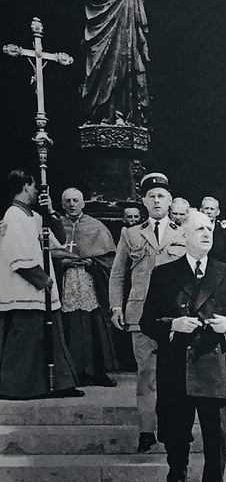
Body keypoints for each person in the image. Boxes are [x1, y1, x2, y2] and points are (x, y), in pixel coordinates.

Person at [140, 210, 226, 482]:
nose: (206, 233)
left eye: (210, 227)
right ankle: (177, 469)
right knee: (174, 432)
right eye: (198, 228)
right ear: (183, 235)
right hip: (176, 368)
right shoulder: (164, 274)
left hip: (214, 369)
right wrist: (173, 324)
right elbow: (147, 322)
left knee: (216, 448)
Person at [109, 173, 187, 453]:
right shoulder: (130, 234)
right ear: (143, 201)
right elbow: (118, 274)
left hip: (175, 315)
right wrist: (116, 306)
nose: (156, 200)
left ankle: (173, 426)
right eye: (151, 196)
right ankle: (146, 431)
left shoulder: (183, 232)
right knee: (146, 375)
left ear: (170, 201)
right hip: (140, 314)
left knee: (176, 373)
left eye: (161, 196)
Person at [0, 170, 81, 399]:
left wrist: (51, 211)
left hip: (40, 289)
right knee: (26, 340)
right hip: (24, 289)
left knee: (49, 336)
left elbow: (60, 243)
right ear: (25, 186)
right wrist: (41, 278)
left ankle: (54, 385)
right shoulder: (13, 215)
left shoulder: (33, 216)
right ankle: (17, 388)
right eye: (34, 187)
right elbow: (16, 253)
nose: (37, 191)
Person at [51, 188, 118, 387]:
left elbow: (109, 260)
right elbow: (48, 255)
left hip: (89, 282)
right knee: (69, 326)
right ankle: (74, 373)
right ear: (62, 204)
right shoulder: (55, 227)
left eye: (76, 200)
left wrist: (92, 263)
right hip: (65, 283)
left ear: (83, 203)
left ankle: (96, 372)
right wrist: (62, 263)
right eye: (67, 201)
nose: (72, 204)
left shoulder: (96, 226)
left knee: (93, 326)